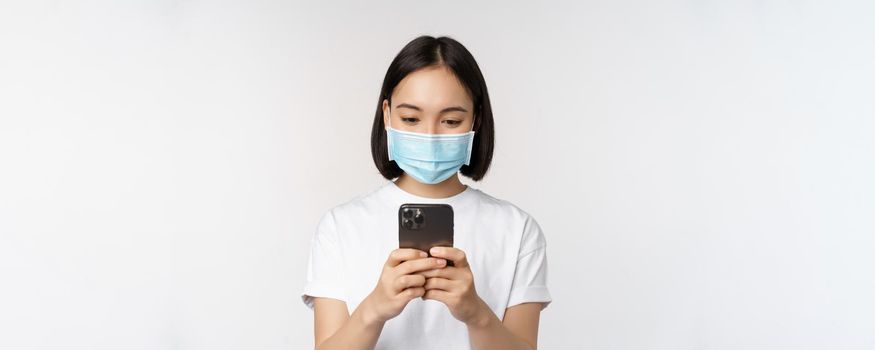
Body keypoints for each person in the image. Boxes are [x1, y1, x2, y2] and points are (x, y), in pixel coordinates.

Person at [301, 35, 552, 350]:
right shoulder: (340, 227)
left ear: (475, 118)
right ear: (387, 114)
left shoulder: (517, 230)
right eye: (411, 118)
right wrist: (373, 310)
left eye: (450, 120)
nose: (430, 135)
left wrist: (476, 314)